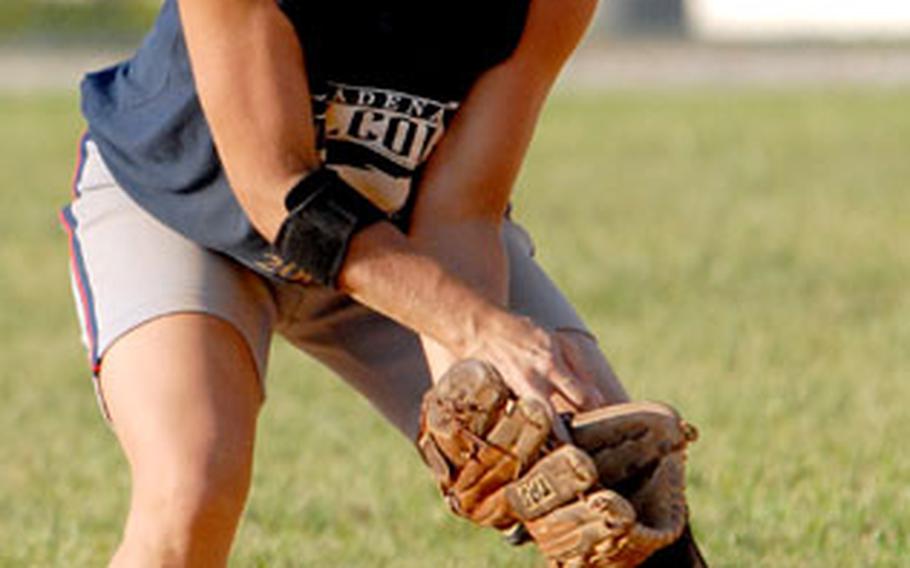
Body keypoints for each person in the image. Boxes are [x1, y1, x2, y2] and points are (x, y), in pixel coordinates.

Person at [60, 0, 702, 564]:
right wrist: (475, 327)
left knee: (607, 474)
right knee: (192, 488)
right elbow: (282, 198)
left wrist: (475, 387)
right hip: (185, 208)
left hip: (398, 228)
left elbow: (462, 213)